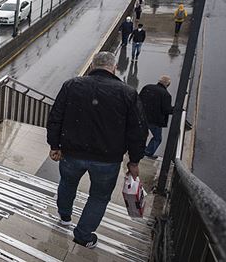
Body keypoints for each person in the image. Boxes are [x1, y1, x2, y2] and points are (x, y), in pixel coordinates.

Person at [46, 51, 147, 249]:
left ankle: (65, 216)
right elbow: (138, 131)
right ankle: (83, 235)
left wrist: (54, 145)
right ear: (114, 68)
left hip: (72, 153)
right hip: (107, 159)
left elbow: (55, 117)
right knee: (99, 196)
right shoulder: (127, 93)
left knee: (67, 183)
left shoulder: (72, 85)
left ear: (92, 66)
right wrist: (134, 161)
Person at [140, 76, 174, 159]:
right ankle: (148, 152)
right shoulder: (166, 95)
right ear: (168, 84)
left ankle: (139, 149)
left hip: (142, 116)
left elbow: (138, 99)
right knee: (157, 138)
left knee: (141, 134)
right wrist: (175, 109)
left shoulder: (147, 87)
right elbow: (166, 110)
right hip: (155, 121)